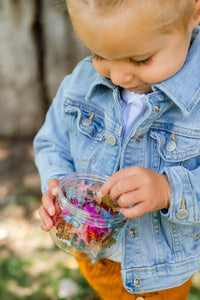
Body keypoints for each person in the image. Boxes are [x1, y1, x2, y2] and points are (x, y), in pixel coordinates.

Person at [33, 0, 200, 299]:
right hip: (96, 254)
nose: (117, 76)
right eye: (99, 55)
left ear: (195, 13)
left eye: (140, 59)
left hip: (160, 273)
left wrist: (168, 189)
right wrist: (57, 182)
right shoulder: (81, 84)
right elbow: (52, 141)